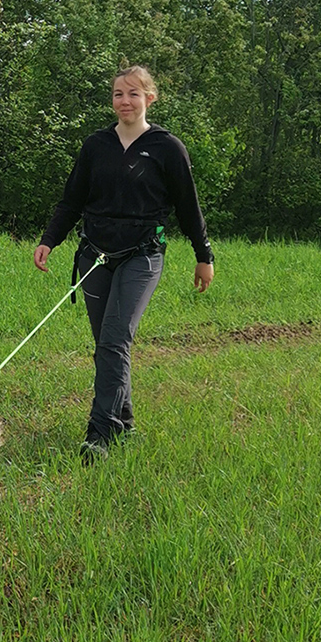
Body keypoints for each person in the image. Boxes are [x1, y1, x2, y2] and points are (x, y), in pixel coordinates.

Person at [33, 65, 215, 461]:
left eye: (133, 93)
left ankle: (99, 434)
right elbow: (72, 200)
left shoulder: (168, 148)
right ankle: (125, 421)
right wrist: (50, 240)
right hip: (94, 254)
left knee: (116, 339)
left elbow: (189, 207)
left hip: (143, 254)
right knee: (107, 345)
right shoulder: (95, 145)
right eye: (118, 93)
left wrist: (204, 257)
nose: (124, 101)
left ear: (150, 98)